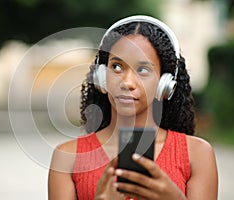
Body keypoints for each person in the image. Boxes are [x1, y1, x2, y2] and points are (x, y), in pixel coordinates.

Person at [48, 15, 218, 200]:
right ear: (101, 78)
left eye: (143, 70)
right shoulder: (67, 157)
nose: (127, 82)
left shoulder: (197, 154)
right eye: (117, 67)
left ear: (165, 83)